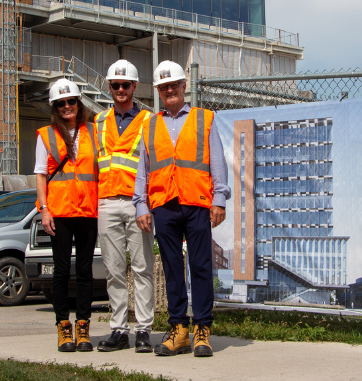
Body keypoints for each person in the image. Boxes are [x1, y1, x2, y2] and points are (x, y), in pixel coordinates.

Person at [133, 60, 230, 357]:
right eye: (163, 87)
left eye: (173, 85)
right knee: (173, 268)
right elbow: (143, 168)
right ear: (158, 92)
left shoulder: (205, 119)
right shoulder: (149, 124)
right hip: (164, 205)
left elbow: (217, 162)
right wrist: (141, 205)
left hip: (197, 202)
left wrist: (219, 199)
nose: (169, 90)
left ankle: (202, 329)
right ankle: (178, 329)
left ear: (184, 86)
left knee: (200, 266)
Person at [93, 60, 155, 353]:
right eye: (115, 85)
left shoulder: (149, 120)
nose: (120, 90)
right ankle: (119, 330)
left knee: (142, 268)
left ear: (135, 87)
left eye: (125, 85)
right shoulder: (99, 121)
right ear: (109, 87)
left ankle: (143, 329)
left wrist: (147, 204)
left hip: (136, 204)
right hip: (106, 202)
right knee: (114, 271)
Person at [34, 78, 99, 353]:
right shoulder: (46, 135)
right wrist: (44, 209)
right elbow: (40, 174)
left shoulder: (95, 132)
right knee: (61, 272)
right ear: (55, 108)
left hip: (87, 211)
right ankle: (64, 327)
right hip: (59, 212)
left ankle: (83, 326)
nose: (66, 107)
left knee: (85, 272)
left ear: (78, 103)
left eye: (71, 101)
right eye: (60, 104)